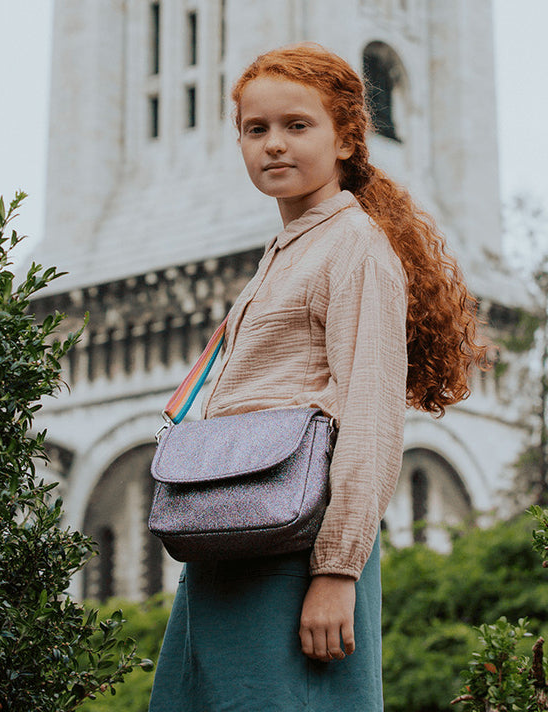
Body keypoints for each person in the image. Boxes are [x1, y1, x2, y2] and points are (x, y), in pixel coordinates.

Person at [149, 44, 488, 712]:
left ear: (346, 139)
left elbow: (369, 419)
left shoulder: (353, 245)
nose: (274, 144)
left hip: (296, 550)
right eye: (256, 129)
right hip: (229, 542)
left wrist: (337, 569)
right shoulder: (286, 249)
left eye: (297, 126)